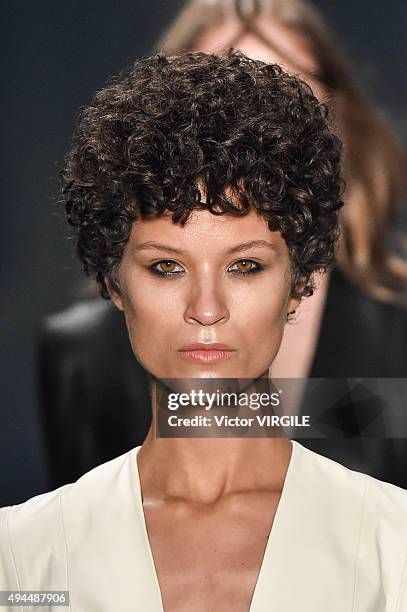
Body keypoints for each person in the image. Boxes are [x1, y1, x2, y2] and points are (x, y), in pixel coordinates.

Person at [2, 50, 407, 611]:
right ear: (114, 281)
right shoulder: (22, 556)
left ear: (297, 281)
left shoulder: (395, 547)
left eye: (245, 266)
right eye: (166, 267)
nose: (206, 308)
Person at [38, 0, 407, 492]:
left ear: (336, 127)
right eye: (215, 105)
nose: (247, 132)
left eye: (286, 103)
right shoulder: (84, 353)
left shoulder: (397, 335)